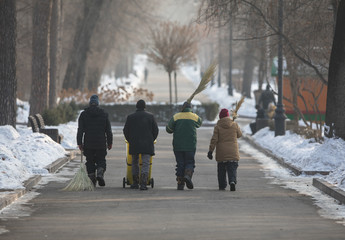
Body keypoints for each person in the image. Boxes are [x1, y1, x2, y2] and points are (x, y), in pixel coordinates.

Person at [77, 95, 113, 187]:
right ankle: (100, 172)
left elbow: (80, 130)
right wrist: (110, 142)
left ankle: (92, 178)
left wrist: (79, 143)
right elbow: (108, 130)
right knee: (101, 159)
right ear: (98, 103)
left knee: (90, 161)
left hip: (88, 143)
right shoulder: (104, 114)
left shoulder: (84, 114)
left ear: (90, 103)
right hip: (101, 142)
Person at [123, 99, 159, 190]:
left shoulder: (130, 117)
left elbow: (125, 131)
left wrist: (130, 140)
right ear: (145, 107)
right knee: (145, 163)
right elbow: (156, 130)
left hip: (134, 143)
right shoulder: (150, 117)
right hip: (147, 144)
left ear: (136, 106)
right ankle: (143, 183)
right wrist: (151, 139)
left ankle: (135, 182)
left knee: (134, 162)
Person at [166, 101, 202, 190]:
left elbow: (168, 129)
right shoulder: (194, 117)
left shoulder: (176, 116)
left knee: (180, 163)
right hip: (190, 145)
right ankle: (187, 176)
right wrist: (192, 114)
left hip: (178, 145)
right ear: (191, 108)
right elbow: (200, 123)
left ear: (182, 108)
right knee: (189, 162)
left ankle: (180, 183)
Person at [207, 108, 242, 191]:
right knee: (232, 168)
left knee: (221, 170)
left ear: (220, 117)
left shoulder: (217, 127)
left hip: (221, 153)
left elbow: (214, 140)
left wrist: (210, 151)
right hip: (233, 153)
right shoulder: (234, 124)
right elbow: (239, 135)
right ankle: (232, 181)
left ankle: (222, 185)